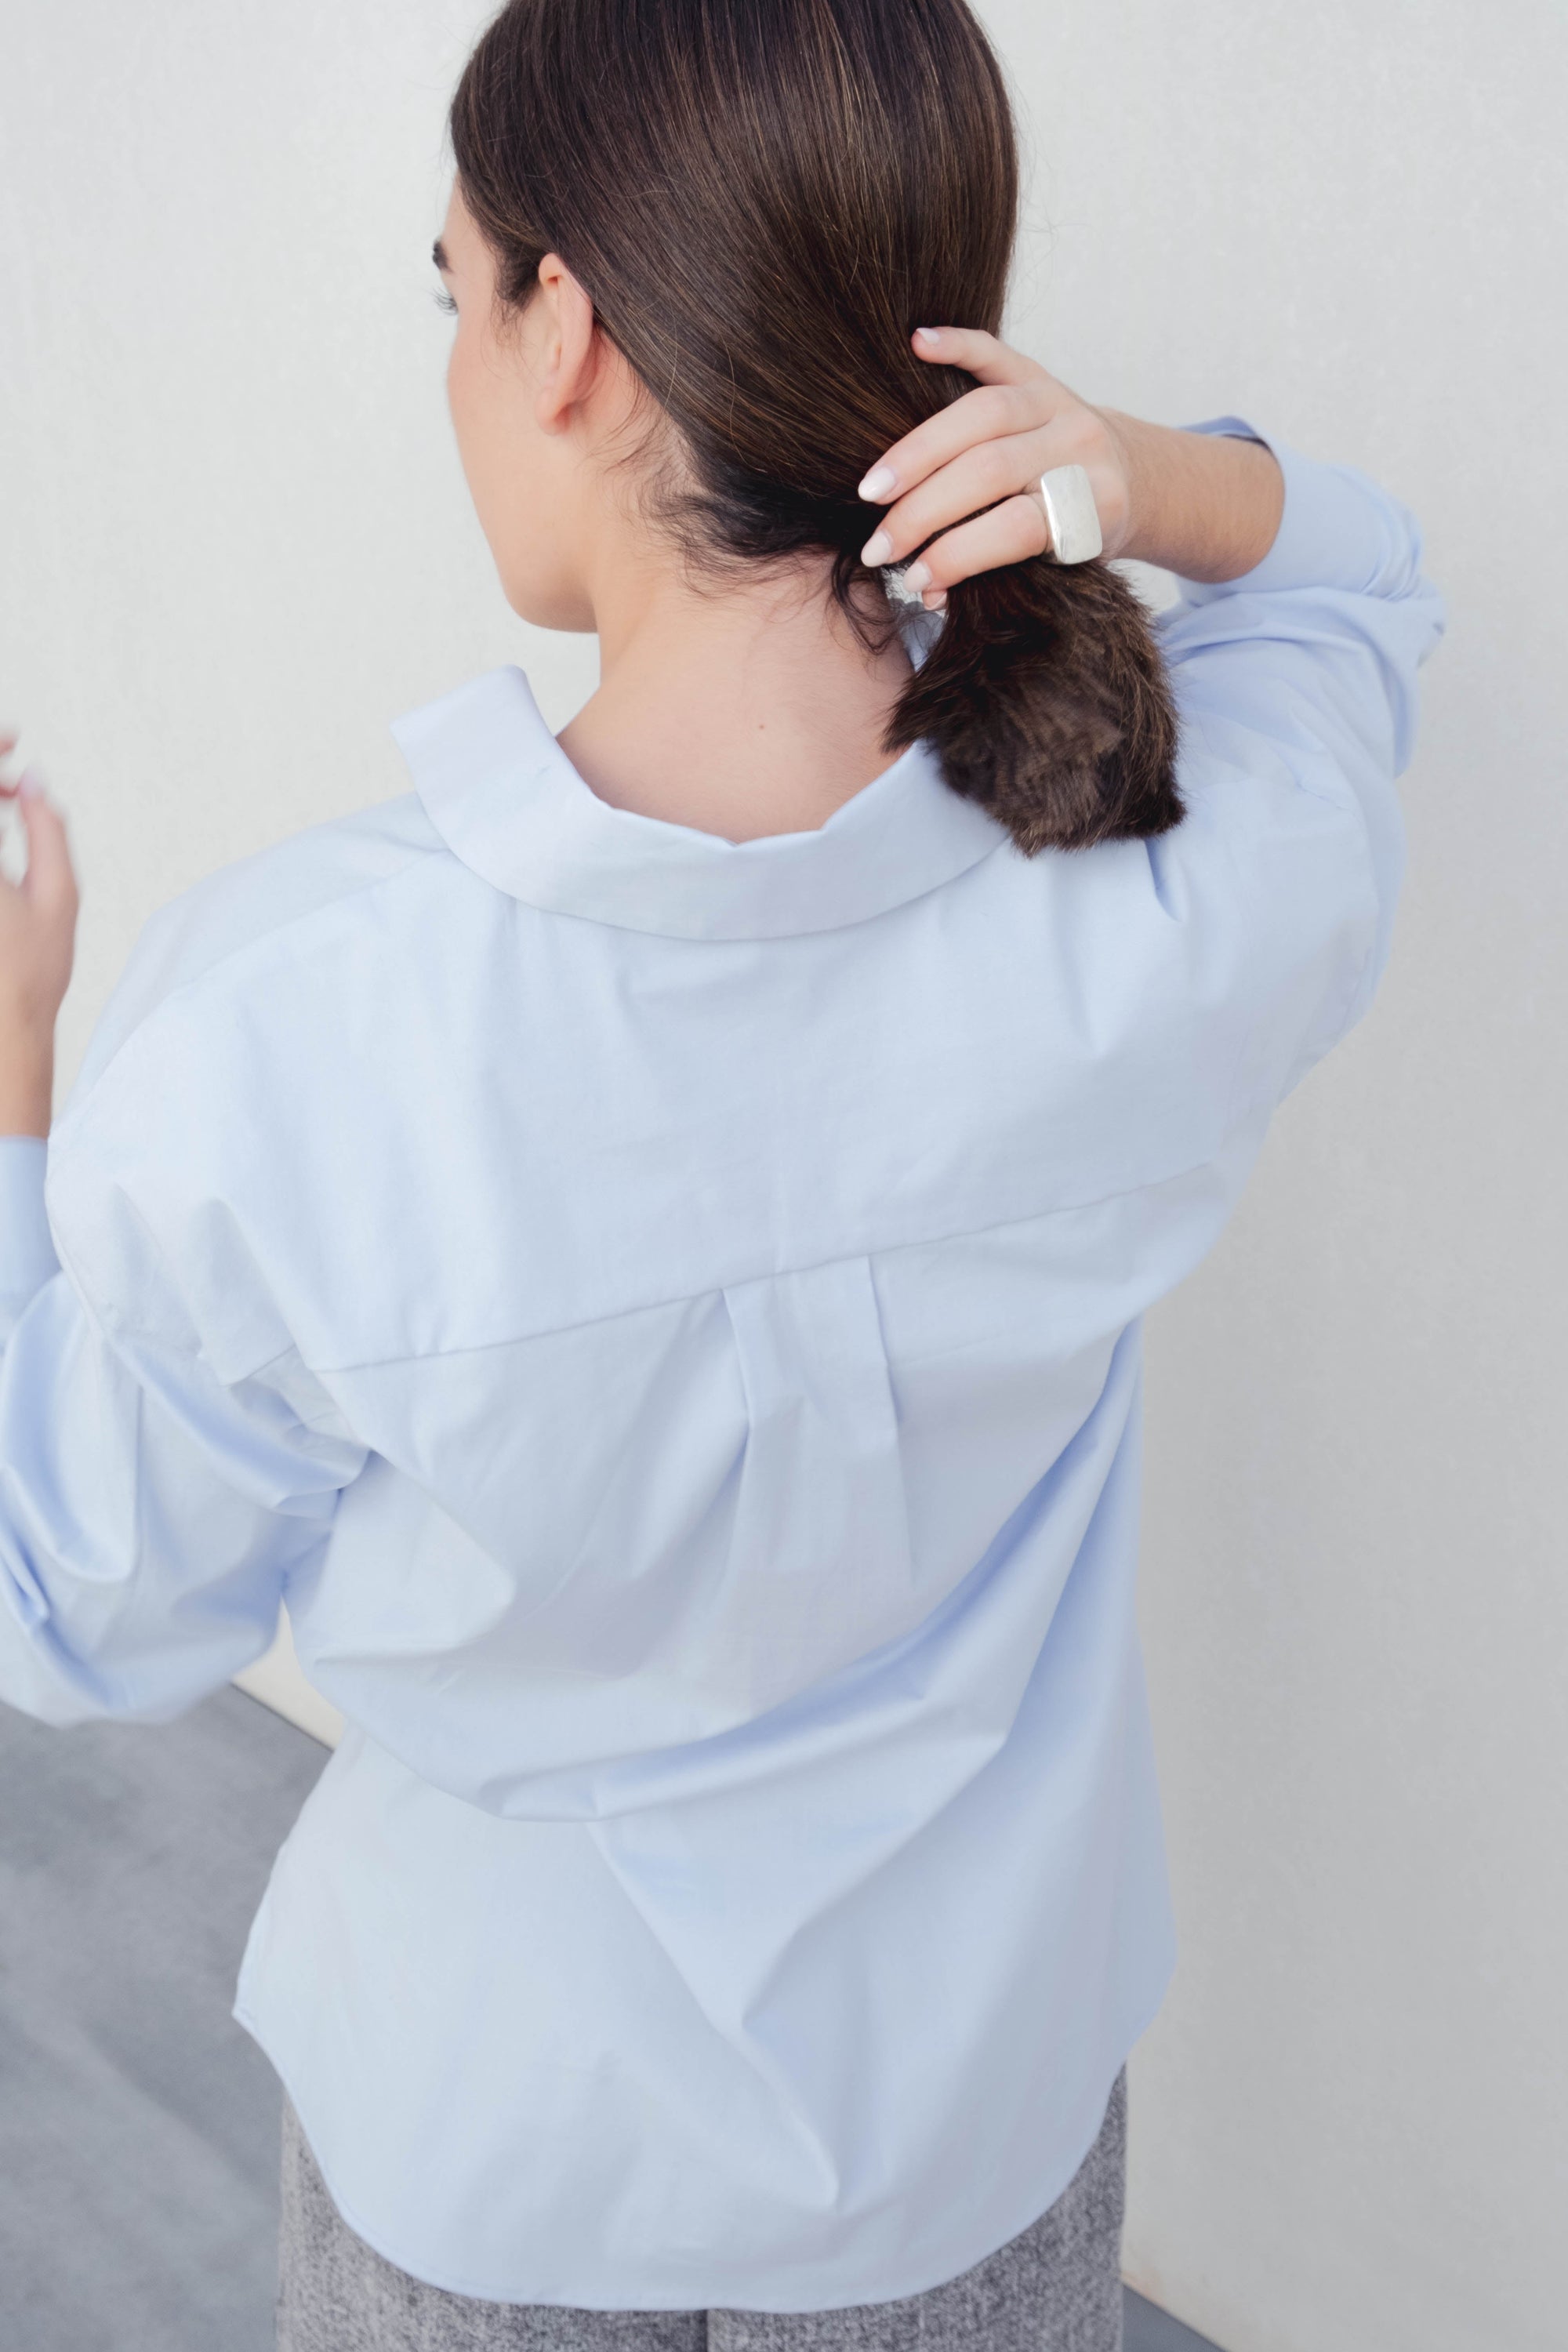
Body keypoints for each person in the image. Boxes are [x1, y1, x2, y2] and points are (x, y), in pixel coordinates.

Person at [0, 0, 1443, 2346]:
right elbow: (1359, 585)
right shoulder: (1174, 894)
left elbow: (65, 1598)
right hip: (975, 2164)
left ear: (567, 331)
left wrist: (13, 1078)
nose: (452, 361)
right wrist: (1134, 478)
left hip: (494, 2171)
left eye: (453, 288)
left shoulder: (290, 1026)